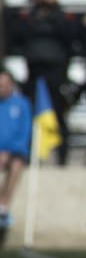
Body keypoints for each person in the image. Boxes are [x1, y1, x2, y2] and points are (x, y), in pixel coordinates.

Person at [12, 0, 78, 166]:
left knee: (58, 115)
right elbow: (19, 35)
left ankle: (62, 156)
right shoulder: (32, 16)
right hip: (34, 73)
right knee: (31, 114)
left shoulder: (63, 17)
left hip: (56, 73)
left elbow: (69, 37)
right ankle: (31, 154)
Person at [0, 70, 31, 229]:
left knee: (16, 165)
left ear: (11, 84)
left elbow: (24, 134)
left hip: (14, 152)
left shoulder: (22, 104)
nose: (1, 88)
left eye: (4, 85)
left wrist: (7, 151)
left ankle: (3, 206)